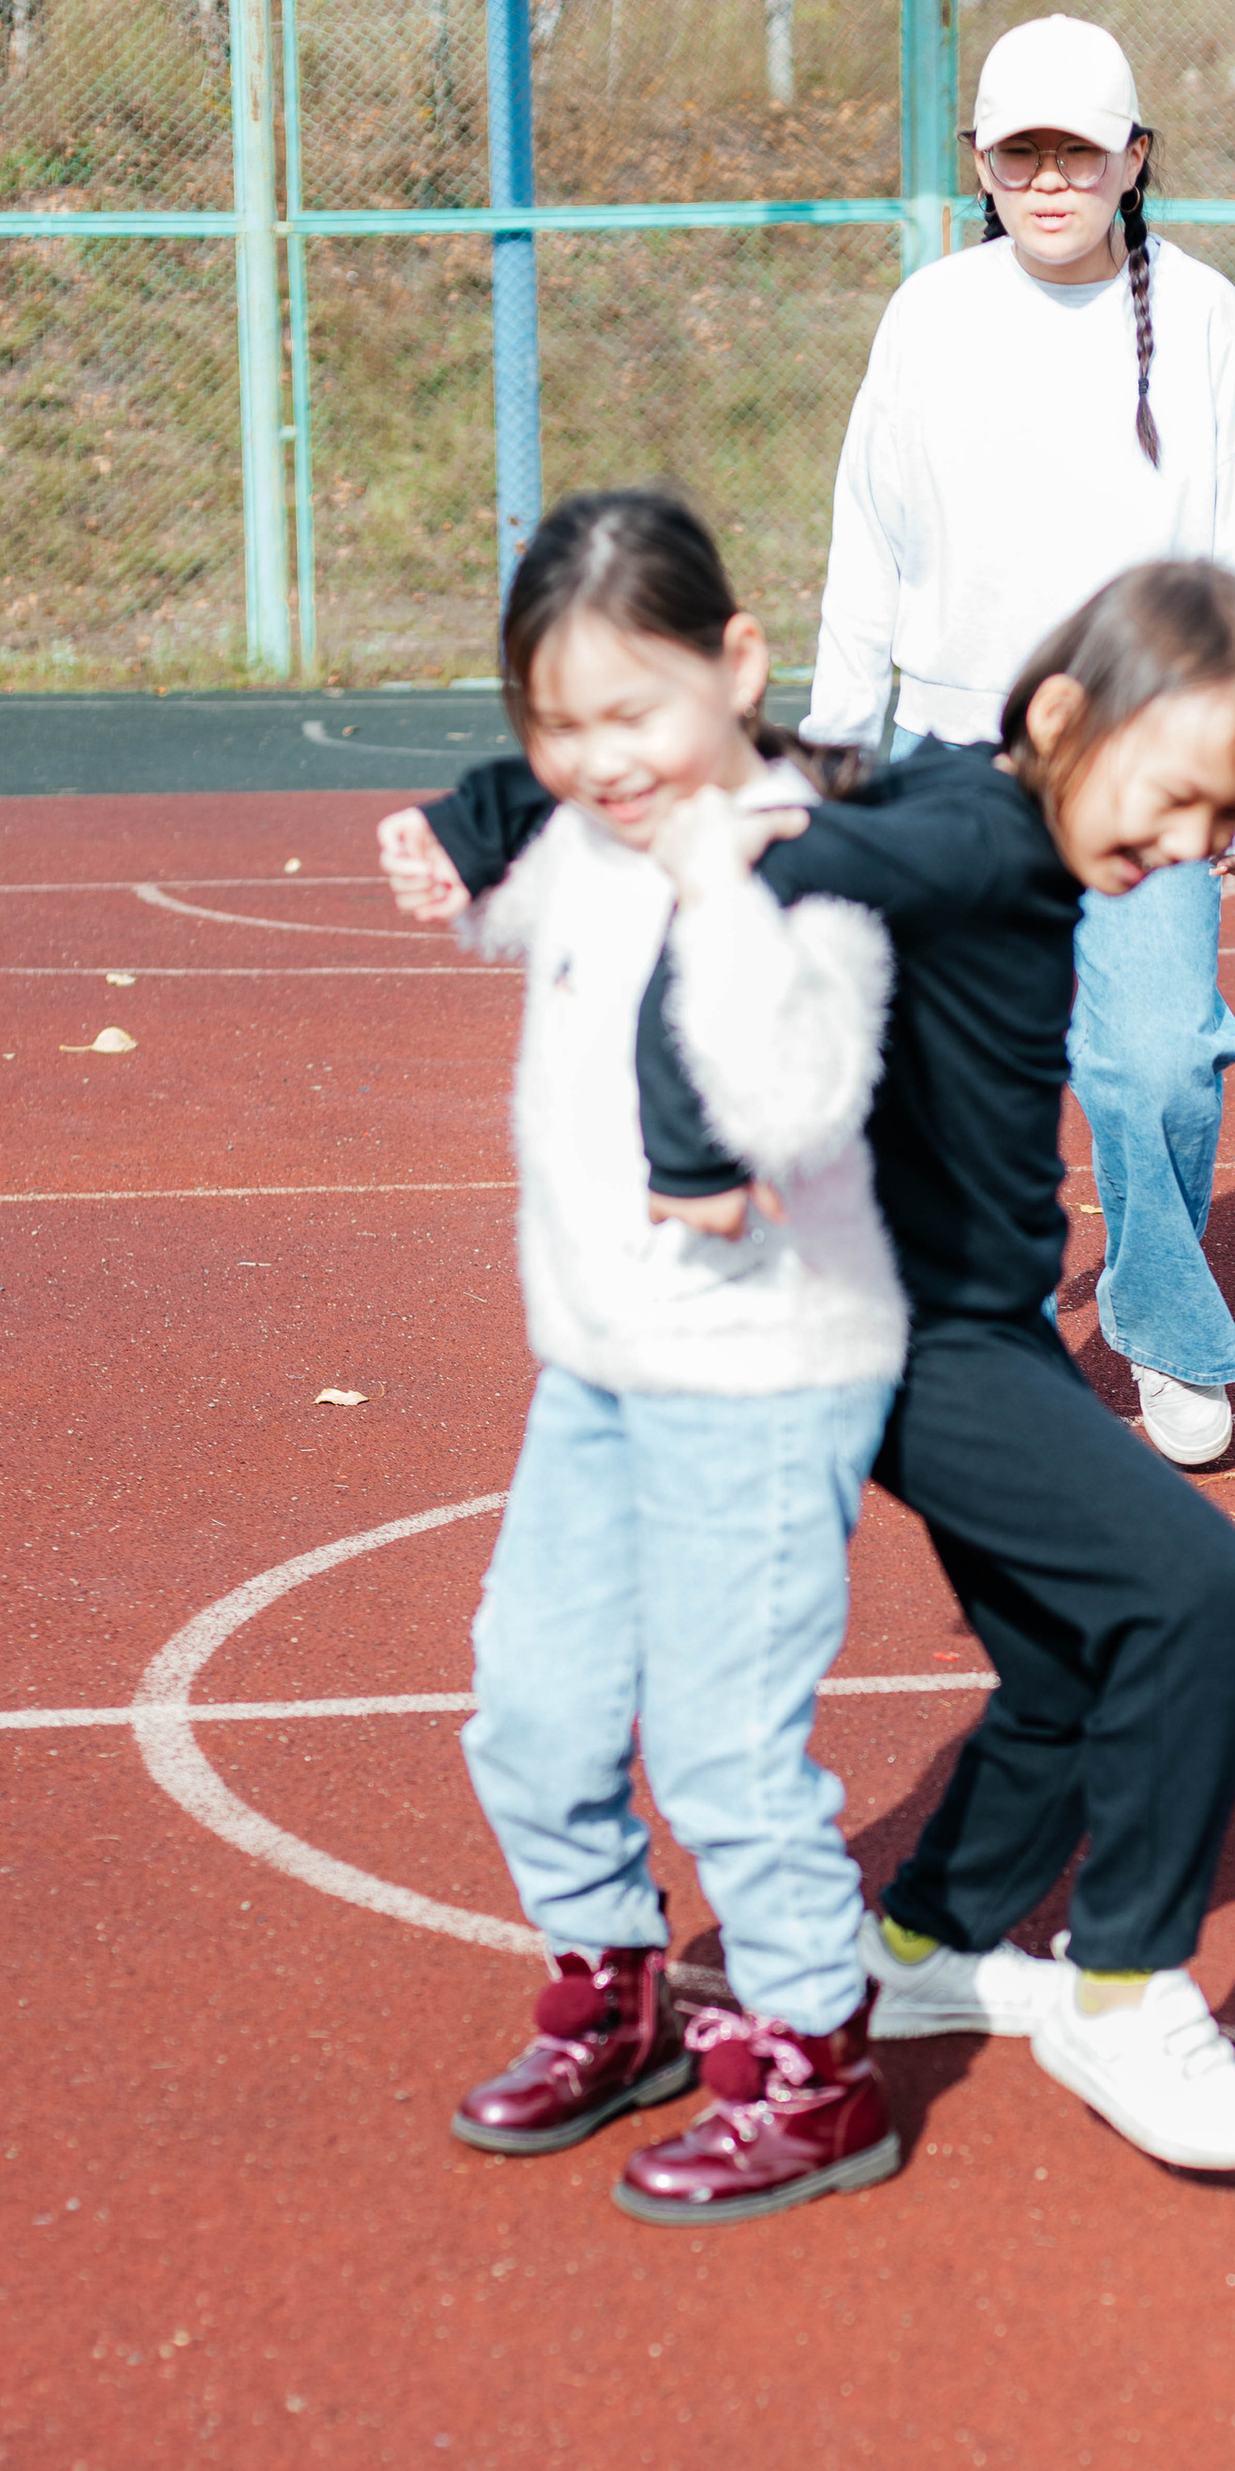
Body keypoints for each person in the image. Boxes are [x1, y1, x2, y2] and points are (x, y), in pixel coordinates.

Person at [412, 562, 1235, 2178]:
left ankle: (923, 1950)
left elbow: (742, 771)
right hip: (926, 1343)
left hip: (982, 1322)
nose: (1195, 844)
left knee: (1064, 1666)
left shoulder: (943, 790)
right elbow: (747, 863)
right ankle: (1127, 1990)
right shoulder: (975, 838)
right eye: (1180, 798)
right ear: (1062, 717)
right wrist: (691, 1141)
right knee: (1192, 1590)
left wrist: (485, 809)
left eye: (1228, 816)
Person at [376, 489, 908, 2229]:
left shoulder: (803, 859)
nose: (601, 761)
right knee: (529, 1706)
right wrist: (452, 845)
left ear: (738, 666)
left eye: (633, 712)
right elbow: (508, 899)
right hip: (598, 1365)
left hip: (765, 1375)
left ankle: (815, 2062)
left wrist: (713, 886)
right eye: (557, 725)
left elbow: (797, 1107)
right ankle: (614, 1986)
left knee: (723, 1743)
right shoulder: (587, 837)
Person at [802, 12, 1235, 1473]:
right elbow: (867, 543)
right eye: (1021, 154)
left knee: (1157, 1063)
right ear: (981, 164)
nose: (1051, 180)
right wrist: (835, 752)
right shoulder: (929, 316)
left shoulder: (1205, 318)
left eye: (1080, 151)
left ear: (1135, 158)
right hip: (957, 761)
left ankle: (1165, 1328)